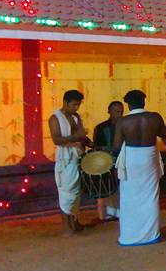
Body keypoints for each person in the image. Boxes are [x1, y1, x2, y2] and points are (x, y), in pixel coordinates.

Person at [113, 90, 166, 246]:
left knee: (130, 197)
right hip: (149, 157)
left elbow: (116, 147)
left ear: (128, 104)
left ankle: (130, 235)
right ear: (144, 101)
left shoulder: (123, 122)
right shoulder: (155, 117)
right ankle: (151, 234)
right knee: (151, 195)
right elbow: (162, 133)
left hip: (131, 158)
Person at [49, 89, 89, 234]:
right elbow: (56, 139)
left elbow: (81, 136)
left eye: (78, 105)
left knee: (76, 193)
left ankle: (74, 222)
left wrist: (88, 141)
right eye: (73, 105)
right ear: (65, 102)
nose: (76, 108)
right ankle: (66, 226)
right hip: (65, 159)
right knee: (67, 192)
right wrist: (75, 137)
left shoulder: (76, 117)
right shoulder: (55, 118)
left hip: (77, 157)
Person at [92, 100, 123, 221]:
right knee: (109, 186)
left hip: (121, 159)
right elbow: (97, 146)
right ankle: (110, 212)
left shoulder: (125, 124)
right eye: (116, 111)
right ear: (109, 111)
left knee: (121, 186)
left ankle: (119, 211)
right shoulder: (101, 128)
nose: (119, 114)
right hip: (106, 159)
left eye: (121, 111)